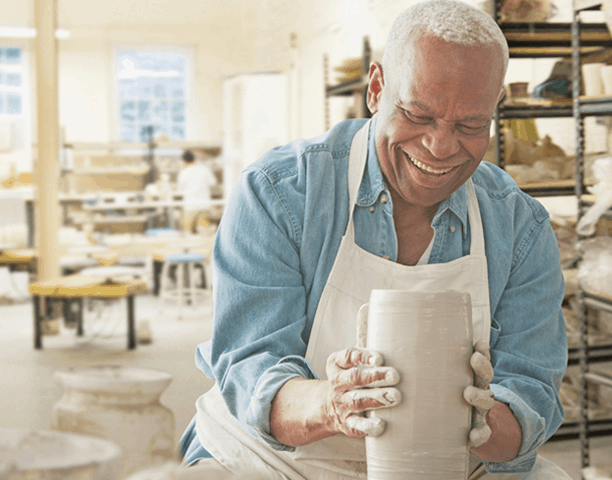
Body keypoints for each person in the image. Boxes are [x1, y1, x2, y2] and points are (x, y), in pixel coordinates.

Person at [179, 1, 570, 478]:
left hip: (445, 464)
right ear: (377, 87)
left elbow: (530, 395)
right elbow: (250, 370)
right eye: (418, 115)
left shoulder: (520, 227)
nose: (441, 147)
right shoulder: (281, 193)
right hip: (275, 460)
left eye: (470, 125)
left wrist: (482, 422)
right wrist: (331, 403)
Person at [176, 149, 218, 233]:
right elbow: (213, 183)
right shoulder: (204, 169)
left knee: (188, 231)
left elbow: (180, 189)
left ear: (184, 161)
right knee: (203, 232)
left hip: (190, 206)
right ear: (194, 159)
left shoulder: (184, 172)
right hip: (204, 205)